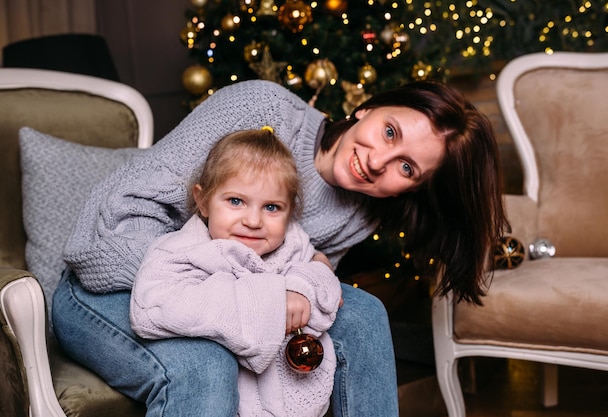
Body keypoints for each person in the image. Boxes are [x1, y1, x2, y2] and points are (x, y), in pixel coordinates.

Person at [53, 79, 509, 417]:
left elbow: (299, 283)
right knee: (206, 363)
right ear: (367, 107)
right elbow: (121, 216)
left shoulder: (364, 211)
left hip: (222, 296)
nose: (376, 162)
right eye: (390, 132)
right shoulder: (262, 107)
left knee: (365, 313)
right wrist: (255, 299)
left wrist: (302, 284)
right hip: (110, 284)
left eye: (406, 168)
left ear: (412, 189)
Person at [129, 128, 342, 417]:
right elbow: (152, 309)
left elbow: (323, 281)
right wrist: (274, 301)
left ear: (290, 212)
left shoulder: (292, 244)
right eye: (235, 201)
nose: (253, 221)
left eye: (271, 207)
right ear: (203, 201)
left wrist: (302, 286)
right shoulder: (181, 250)